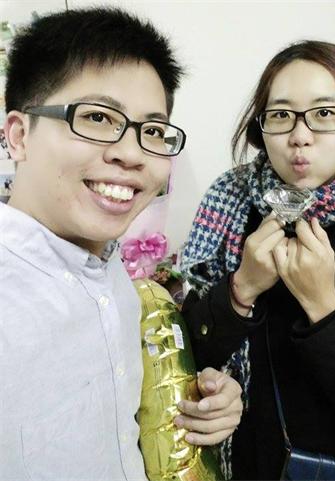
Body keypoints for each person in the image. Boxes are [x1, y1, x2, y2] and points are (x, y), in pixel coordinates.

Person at [0, 8, 242, 481]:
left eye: (153, 131)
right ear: (19, 136)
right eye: (96, 117)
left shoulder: (113, 276)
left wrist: (202, 404)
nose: (131, 154)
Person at [181, 40, 335, 480]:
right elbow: (187, 356)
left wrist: (324, 307)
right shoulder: (230, 211)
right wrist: (241, 288)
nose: (300, 135)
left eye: (325, 113)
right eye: (281, 115)